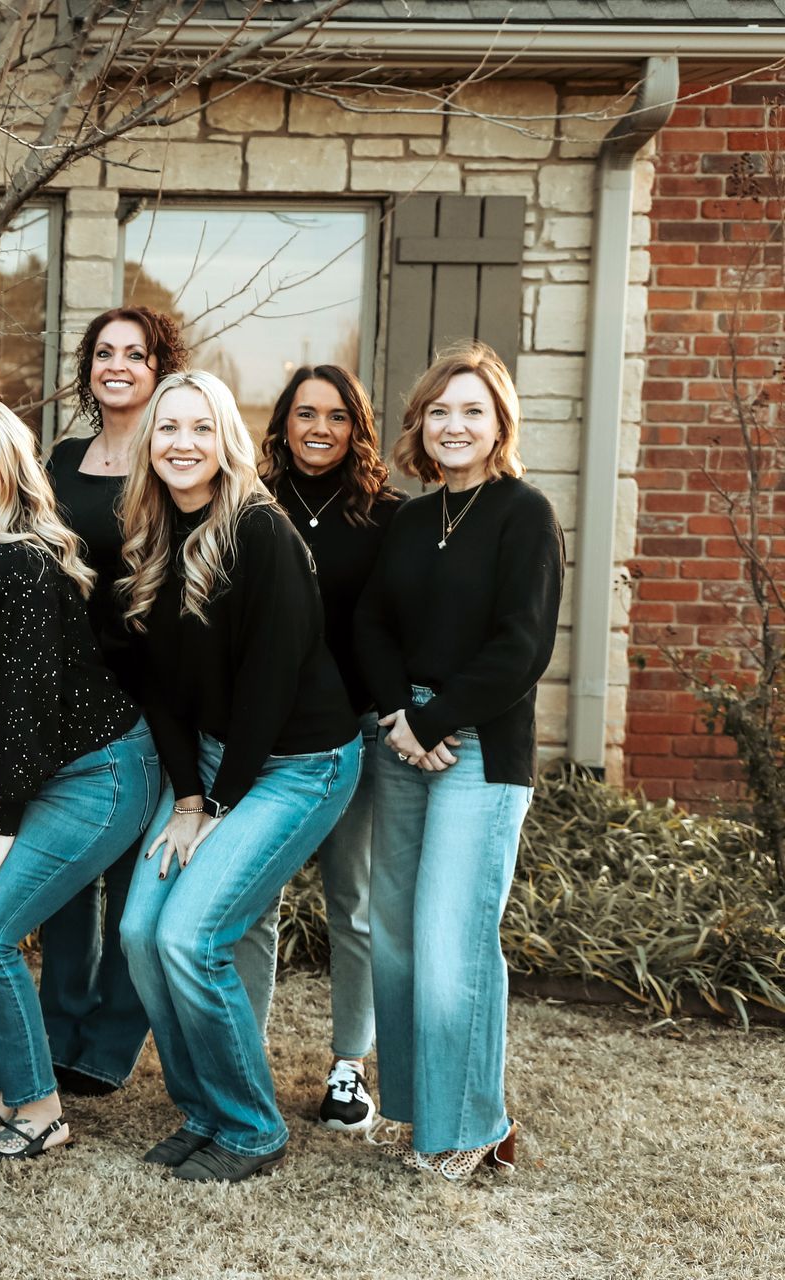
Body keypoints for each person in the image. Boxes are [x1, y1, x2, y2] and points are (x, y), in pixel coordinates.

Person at [114, 370, 362, 1184]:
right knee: (141, 934)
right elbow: (159, 690)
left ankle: (254, 1128)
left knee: (192, 936)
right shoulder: (152, 534)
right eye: (167, 428)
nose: (182, 443)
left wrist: (218, 804)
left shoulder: (261, 532)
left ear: (225, 438)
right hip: (217, 763)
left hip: (299, 764)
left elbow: (271, 680)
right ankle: (206, 1111)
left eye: (199, 427)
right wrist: (188, 796)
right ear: (149, 443)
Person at [0, 396, 156, 1160]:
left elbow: (25, 710)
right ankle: (9, 1093)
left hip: (97, 773)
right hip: (26, 773)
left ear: (13, 472)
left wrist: (0, 826)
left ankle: (42, 1111)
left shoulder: (21, 563)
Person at [354, 341, 563, 1180]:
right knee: (397, 942)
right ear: (421, 423)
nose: (454, 424)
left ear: (500, 423)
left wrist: (435, 719)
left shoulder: (526, 514)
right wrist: (401, 718)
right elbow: (370, 623)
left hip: (481, 747)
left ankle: (469, 1128)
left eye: (473, 410)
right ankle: (427, 1112)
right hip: (406, 739)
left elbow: (523, 647)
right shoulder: (410, 517)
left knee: (453, 945)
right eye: (440, 409)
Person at [231, 364, 406, 1133]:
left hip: (356, 735)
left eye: (337, 416)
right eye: (305, 414)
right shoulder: (250, 504)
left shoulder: (385, 517)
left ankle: (347, 1068)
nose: (320, 429)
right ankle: (247, 1056)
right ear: (283, 423)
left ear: (355, 427)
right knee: (254, 900)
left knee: (352, 905)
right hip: (269, 737)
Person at [39, 305, 187, 1097]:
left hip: (151, 690)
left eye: (135, 353)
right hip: (67, 690)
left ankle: (107, 1044)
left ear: (159, 367)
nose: (117, 365)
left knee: (133, 878)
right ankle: (57, 1027)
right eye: (104, 353)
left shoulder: (174, 457)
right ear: (89, 369)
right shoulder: (62, 457)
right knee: (67, 871)